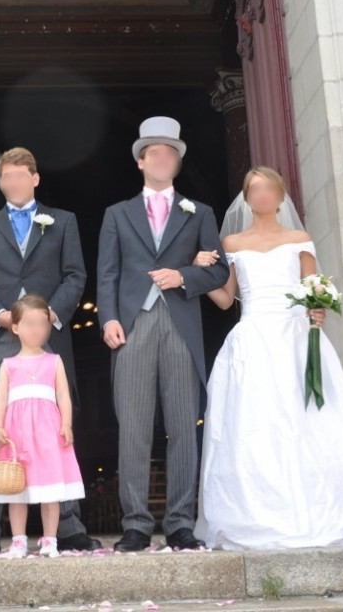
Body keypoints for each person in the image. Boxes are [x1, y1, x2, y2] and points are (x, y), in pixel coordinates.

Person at [192, 167, 343, 549]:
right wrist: (200, 276)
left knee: (312, 422)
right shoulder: (232, 241)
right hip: (252, 339)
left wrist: (318, 311)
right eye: (254, 189)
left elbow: (312, 291)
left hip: (296, 338)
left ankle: (328, 510)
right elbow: (226, 298)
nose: (262, 195)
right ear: (246, 198)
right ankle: (258, 513)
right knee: (255, 426)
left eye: (268, 189)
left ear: (281, 196)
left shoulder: (300, 239)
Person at [96, 117, 228, 552]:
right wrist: (109, 319)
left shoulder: (200, 212)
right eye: (155, 152)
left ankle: (179, 523)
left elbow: (220, 272)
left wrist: (183, 274)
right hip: (132, 325)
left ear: (177, 162)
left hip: (180, 325)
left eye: (171, 153)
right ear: (141, 161)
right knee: (133, 427)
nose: (163, 158)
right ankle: (135, 524)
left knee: (182, 427)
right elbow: (108, 273)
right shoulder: (116, 213)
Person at [0, 147, 95, 554]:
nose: (13, 183)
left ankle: (68, 523)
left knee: (57, 423)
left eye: (20, 175)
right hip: (1, 332)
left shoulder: (63, 221)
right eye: (6, 177)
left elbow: (76, 274)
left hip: (49, 336)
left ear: (35, 179)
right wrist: (3, 316)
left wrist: (47, 317)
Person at [0, 295, 84, 558]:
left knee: (50, 489)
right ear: (16, 327)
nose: (36, 330)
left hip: (47, 433)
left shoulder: (54, 361)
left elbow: (63, 395)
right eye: (29, 324)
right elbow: (0, 399)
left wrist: (66, 424)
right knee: (16, 490)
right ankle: (18, 540)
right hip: (17, 434)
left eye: (42, 324)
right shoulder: (8, 365)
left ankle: (50, 539)